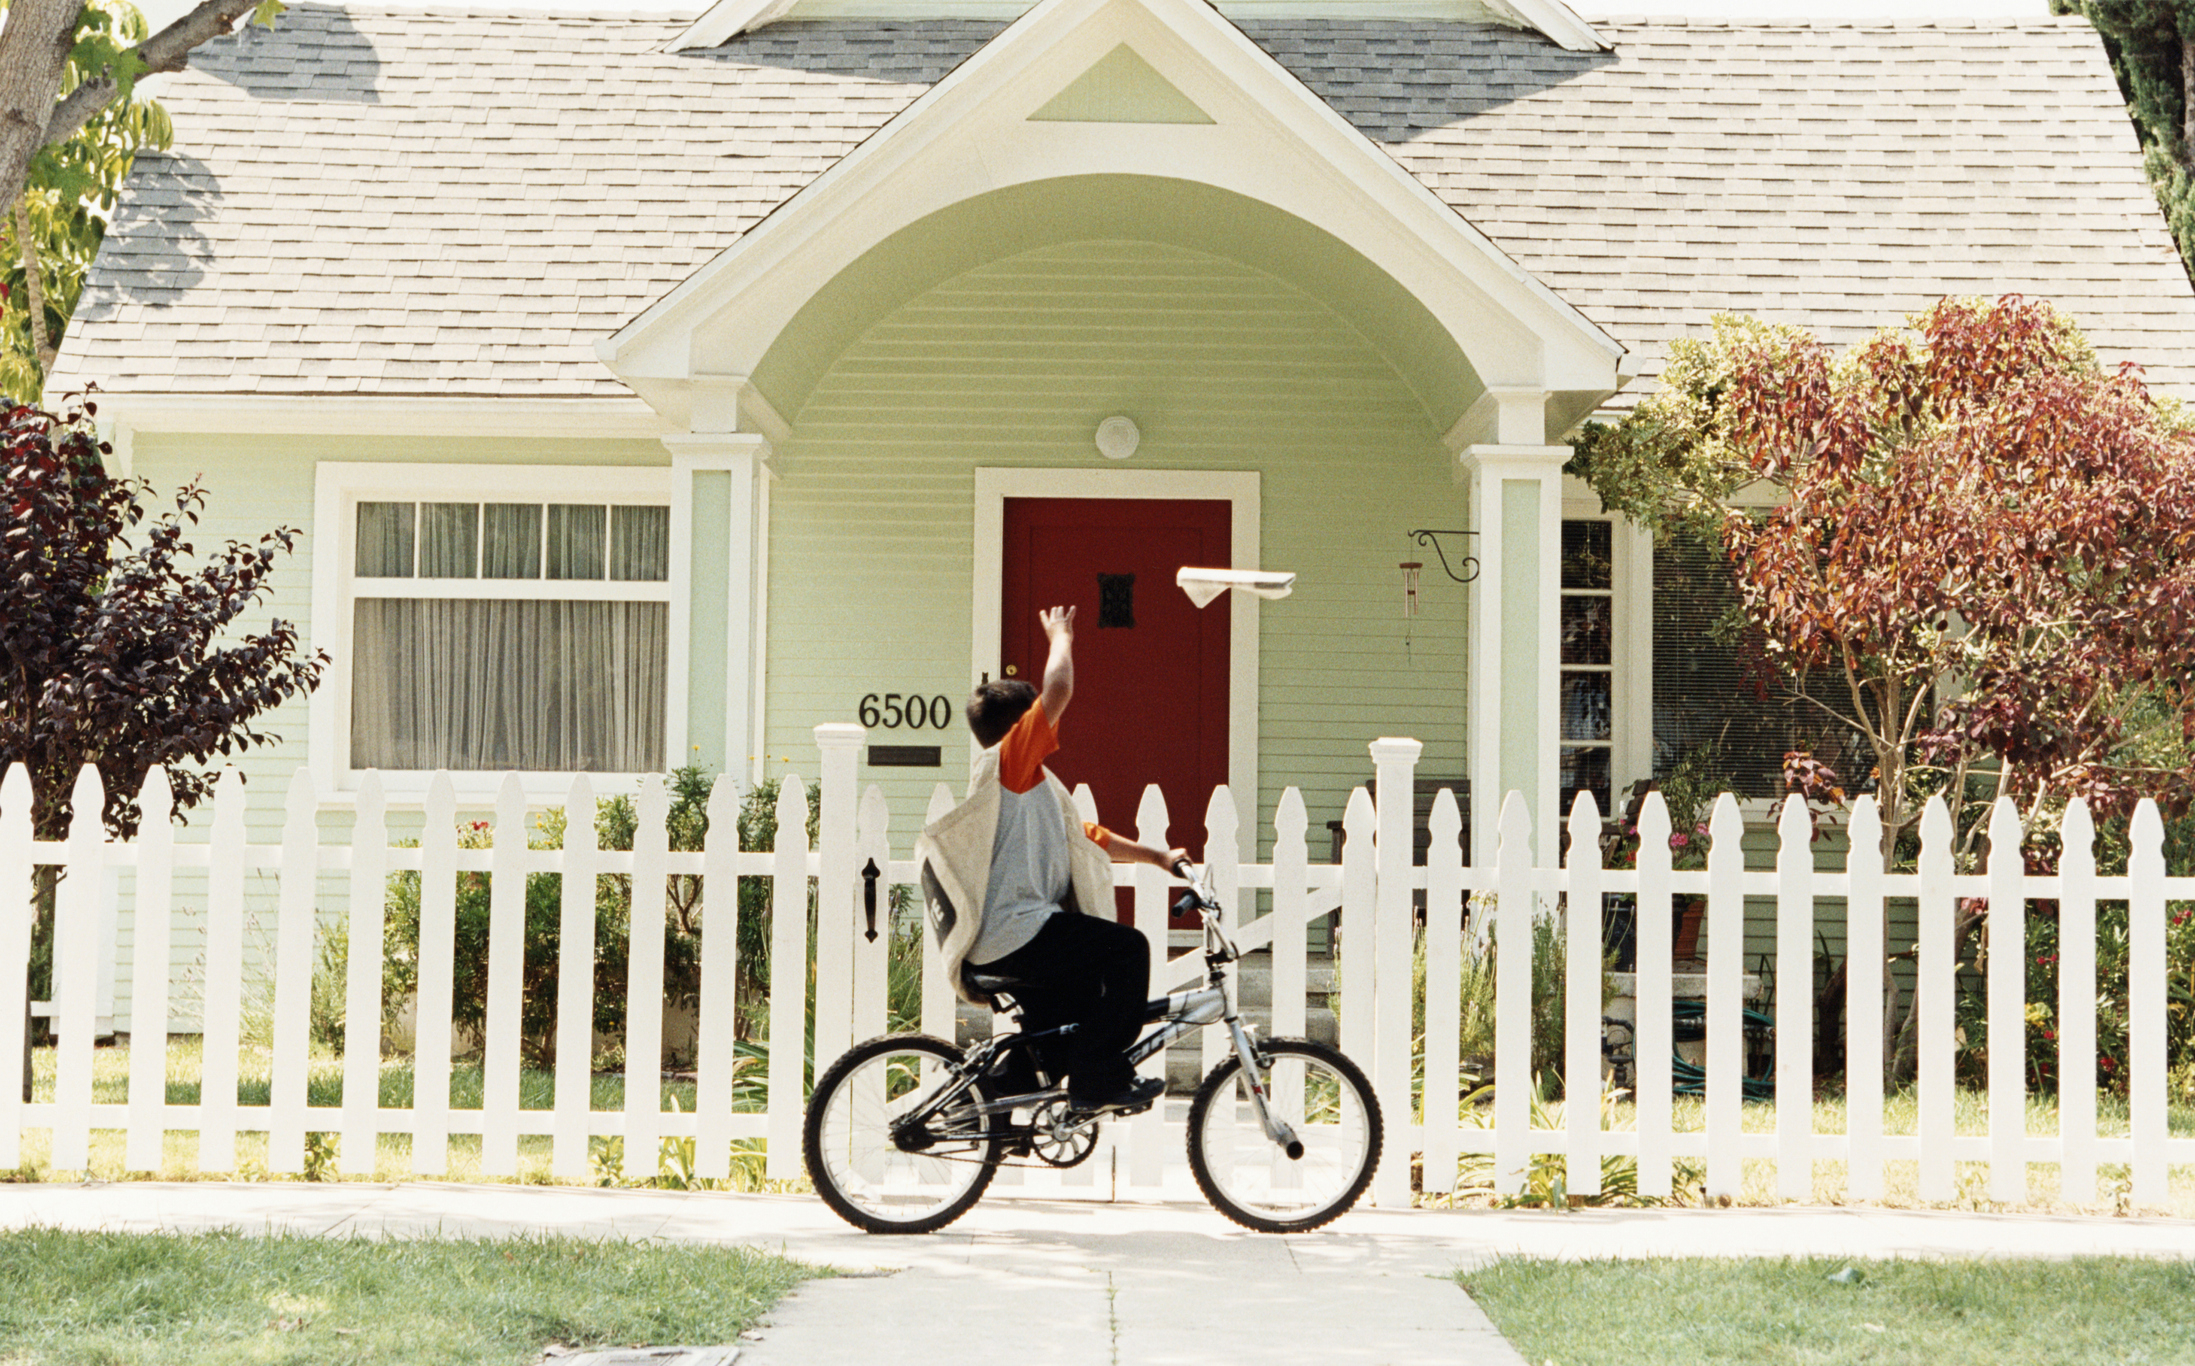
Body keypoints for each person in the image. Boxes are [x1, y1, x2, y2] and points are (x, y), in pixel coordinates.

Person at [915, 604, 1183, 1114]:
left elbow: (1085, 836)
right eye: (1038, 717)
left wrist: (1158, 856)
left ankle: (991, 1107)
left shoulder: (1030, 786)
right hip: (1018, 932)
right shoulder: (1009, 761)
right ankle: (1098, 1079)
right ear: (1021, 725)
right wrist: (1061, 635)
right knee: (1127, 952)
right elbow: (1058, 690)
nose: (1052, 723)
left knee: (1063, 1030)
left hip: (1017, 936)